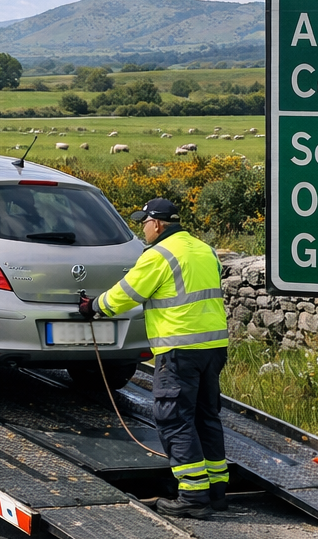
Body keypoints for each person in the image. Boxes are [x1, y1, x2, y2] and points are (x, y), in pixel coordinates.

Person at [79, 198, 229, 519]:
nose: (142, 229)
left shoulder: (159, 255)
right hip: (213, 347)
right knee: (206, 416)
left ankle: (192, 495)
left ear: (157, 224)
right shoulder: (205, 250)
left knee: (174, 418)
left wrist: (93, 307)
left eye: (143, 223)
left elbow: (125, 294)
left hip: (179, 350)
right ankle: (216, 491)